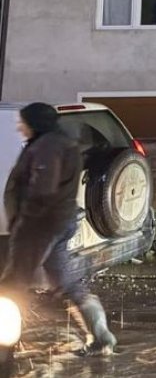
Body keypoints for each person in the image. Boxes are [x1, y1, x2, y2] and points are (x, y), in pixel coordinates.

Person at [1, 103, 117, 355]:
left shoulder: (47, 147)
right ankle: (100, 336)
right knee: (65, 283)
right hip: (59, 221)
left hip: (39, 226)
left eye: (23, 122)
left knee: (12, 283)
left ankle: (5, 349)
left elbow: (42, 191)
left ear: (35, 122)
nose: (20, 127)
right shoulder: (62, 144)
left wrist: (23, 222)